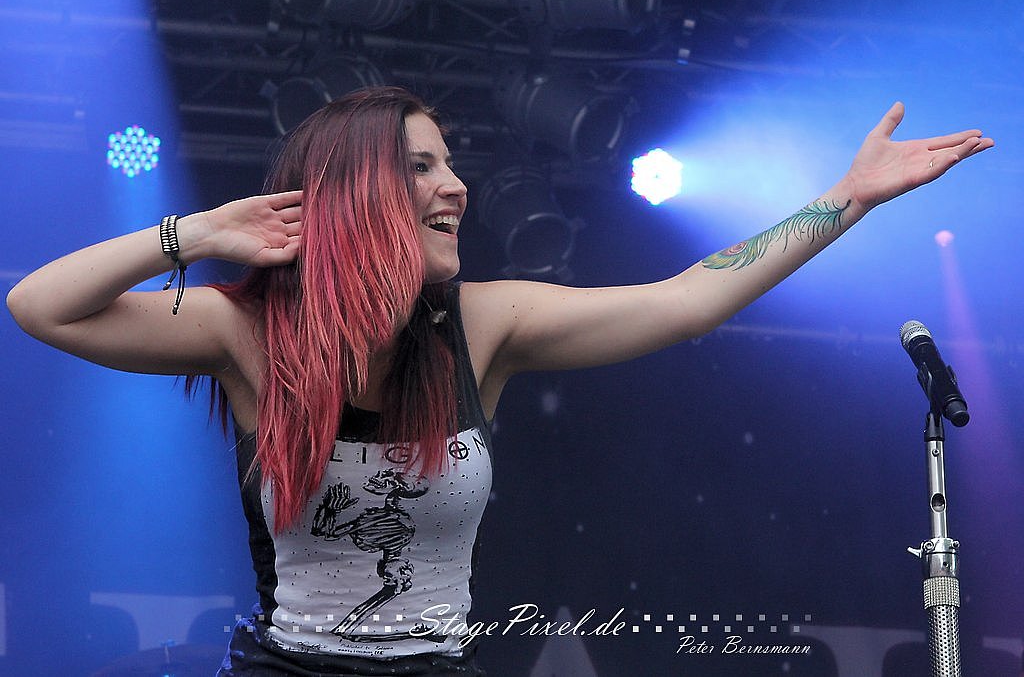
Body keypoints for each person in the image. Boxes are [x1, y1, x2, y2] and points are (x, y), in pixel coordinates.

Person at [5, 86, 993, 675]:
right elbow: (40, 305)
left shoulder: (485, 323)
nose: (456, 185)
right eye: (421, 167)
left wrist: (848, 197)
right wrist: (195, 233)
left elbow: (690, 298)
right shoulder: (247, 331)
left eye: (450, 164)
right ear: (352, 194)